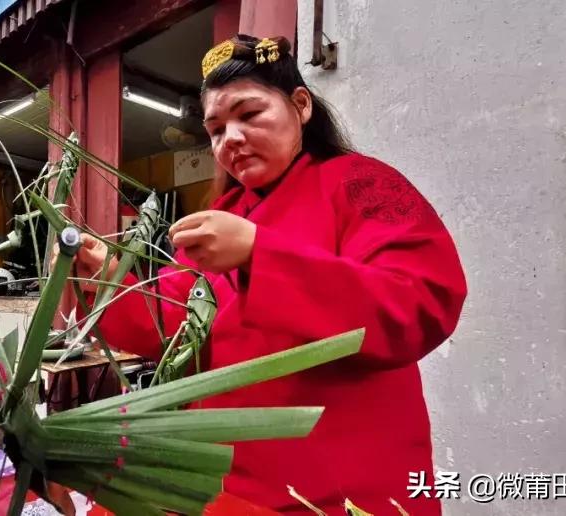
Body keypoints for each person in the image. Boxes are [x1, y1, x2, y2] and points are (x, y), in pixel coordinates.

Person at [71, 35, 467, 515]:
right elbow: (174, 323)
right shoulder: (227, 213)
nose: (229, 139)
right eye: (216, 130)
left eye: (249, 114)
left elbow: (420, 303)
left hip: (339, 488)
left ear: (300, 105)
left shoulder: (362, 184)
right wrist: (109, 278)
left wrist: (260, 255)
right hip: (230, 483)